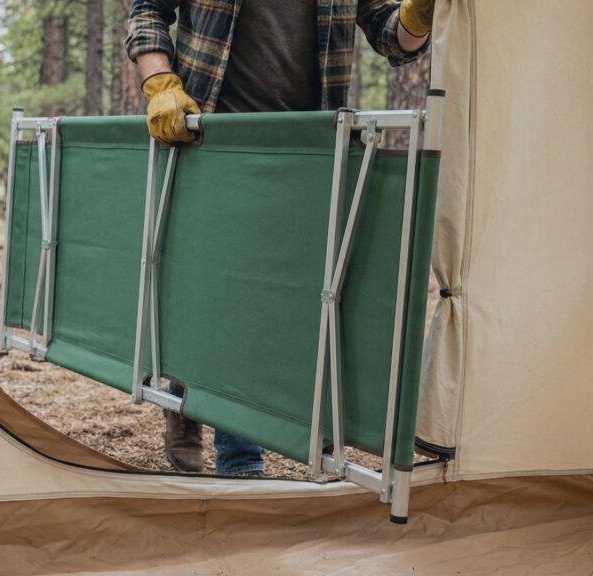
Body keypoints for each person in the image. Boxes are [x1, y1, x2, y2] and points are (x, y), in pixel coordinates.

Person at [125, 0, 435, 476]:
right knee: (231, 296)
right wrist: (158, 82)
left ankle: (190, 394)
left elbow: (391, 36)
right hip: (213, 134)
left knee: (268, 300)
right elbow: (148, 8)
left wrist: (418, 15)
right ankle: (235, 453)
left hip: (305, 145)